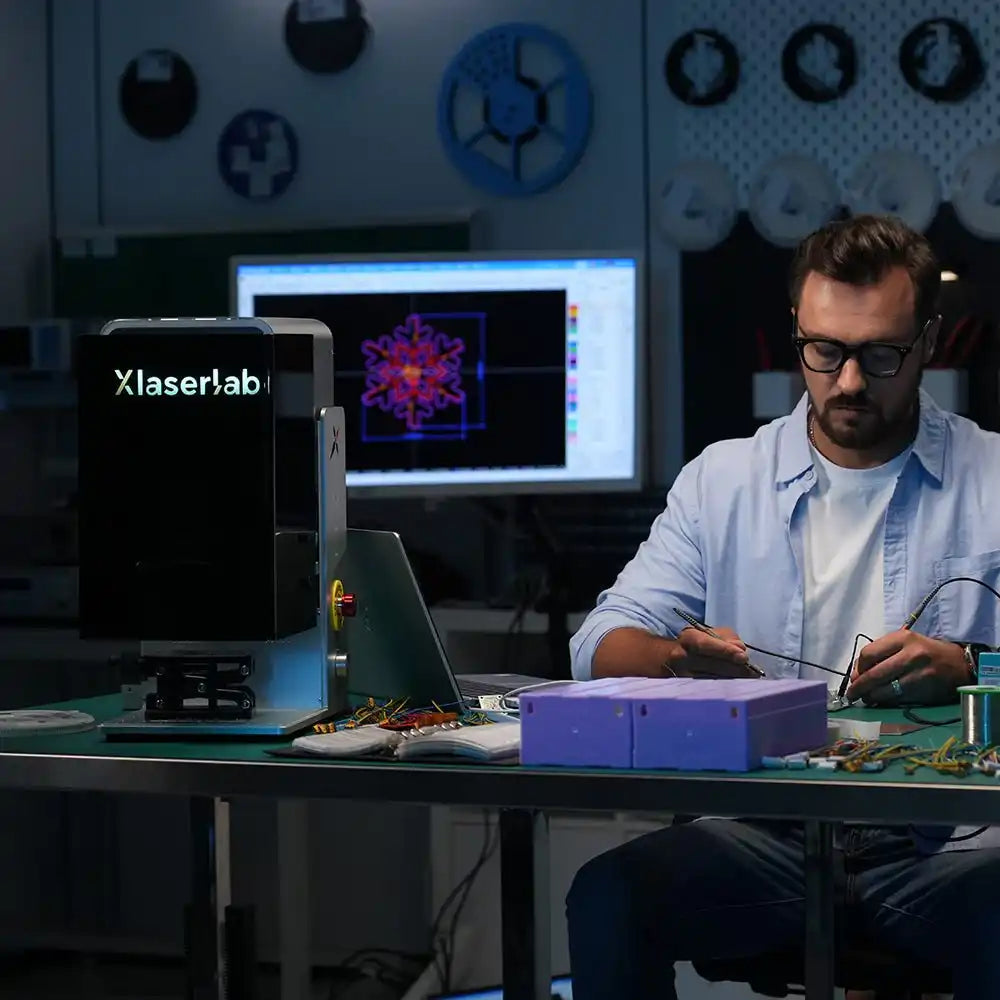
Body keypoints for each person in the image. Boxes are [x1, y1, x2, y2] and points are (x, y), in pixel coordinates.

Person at [565, 214, 1000, 1000]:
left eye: (881, 355)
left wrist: (969, 666)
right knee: (609, 896)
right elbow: (597, 644)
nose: (850, 382)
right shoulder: (722, 481)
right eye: (824, 351)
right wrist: (676, 660)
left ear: (930, 342)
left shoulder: (993, 478)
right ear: (796, 331)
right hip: (763, 833)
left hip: (947, 847)